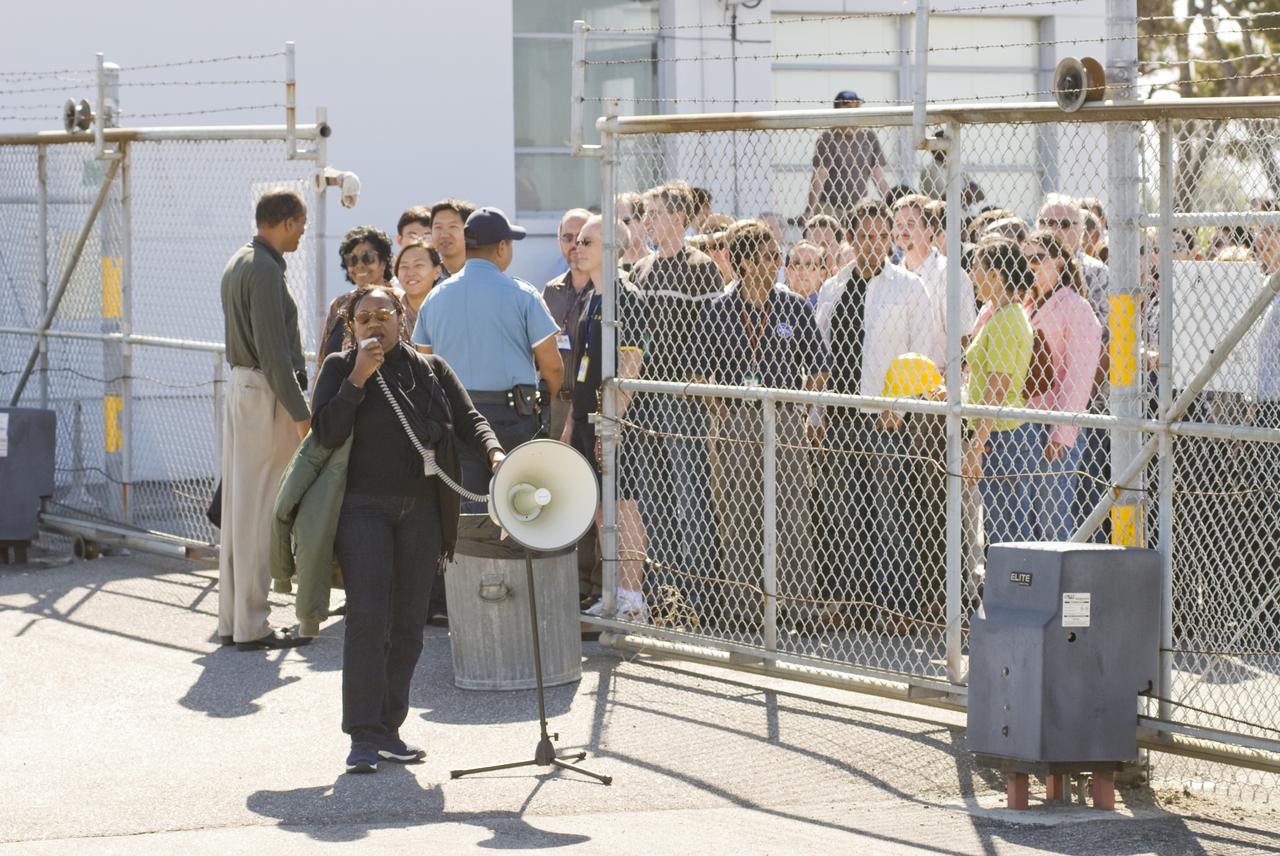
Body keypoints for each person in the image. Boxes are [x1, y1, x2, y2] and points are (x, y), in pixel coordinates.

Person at [310, 285, 503, 773]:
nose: (375, 323)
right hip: (363, 509)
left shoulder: (431, 371)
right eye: (363, 317)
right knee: (367, 620)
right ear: (350, 325)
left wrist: (496, 455)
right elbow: (325, 432)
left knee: (408, 625)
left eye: (384, 314)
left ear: (402, 317)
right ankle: (361, 736)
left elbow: (470, 419)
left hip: (421, 511)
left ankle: (390, 727)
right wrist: (357, 376)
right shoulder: (339, 367)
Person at [691, 220, 830, 633]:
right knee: (739, 514)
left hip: (784, 419)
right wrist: (719, 407)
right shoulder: (717, 309)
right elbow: (699, 373)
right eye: (771, 257)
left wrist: (800, 406)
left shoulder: (791, 306)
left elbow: (820, 367)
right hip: (735, 420)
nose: (779, 263)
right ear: (748, 263)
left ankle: (799, 608)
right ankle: (743, 608)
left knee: (792, 513)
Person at [814, 197, 933, 633]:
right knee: (847, 515)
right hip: (841, 415)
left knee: (889, 513)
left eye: (881, 236)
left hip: (886, 418)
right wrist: (816, 417)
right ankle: (853, 601)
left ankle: (896, 605)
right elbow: (820, 359)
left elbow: (924, 354)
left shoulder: (909, 286)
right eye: (865, 235)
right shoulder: (833, 287)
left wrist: (900, 407)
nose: (873, 243)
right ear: (851, 237)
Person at [413, 207, 563, 503]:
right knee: (518, 503)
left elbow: (423, 364)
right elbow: (553, 367)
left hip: (455, 418)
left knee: (464, 506)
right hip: (513, 417)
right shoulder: (523, 295)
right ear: (502, 247)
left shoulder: (435, 297)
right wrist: (547, 403)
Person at [217, 188, 311, 651]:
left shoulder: (239, 260)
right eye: (302, 225)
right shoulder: (266, 270)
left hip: (240, 386)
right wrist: (301, 415)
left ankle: (234, 620)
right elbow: (275, 353)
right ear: (288, 221)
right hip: (264, 391)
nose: (302, 234)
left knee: (240, 510)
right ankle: (253, 624)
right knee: (260, 514)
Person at [627, 181, 724, 626]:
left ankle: (700, 599)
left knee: (692, 498)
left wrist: (698, 387)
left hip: (683, 399)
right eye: (645, 214)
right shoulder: (641, 269)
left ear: (680, 217)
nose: (648, 222)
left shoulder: (702, 267)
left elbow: (708, 335)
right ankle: (665, 599)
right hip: (646, 398)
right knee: (654, 500)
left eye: (656, 213)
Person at [556, 215, 648, 619]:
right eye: (575, 240)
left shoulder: (624, 295)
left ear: (611, 248)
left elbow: (631, 365)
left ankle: (631, 597)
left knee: (623, 507)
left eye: (588, 241)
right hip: (587, 418)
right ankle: (612, 593)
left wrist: (612, 421)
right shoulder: (592, 297)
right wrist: (572, 424)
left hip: (614, 426)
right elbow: (583, 368)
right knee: (598, 509)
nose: (577, 247)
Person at [1020, 229, 1103, 541]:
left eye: (1037, 259)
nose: (1029, 266)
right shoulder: (1024, 305)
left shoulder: (1076, 307)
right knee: (1023, 519)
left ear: (1058, 261)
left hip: (1053, 429)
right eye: (1023, 259)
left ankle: (1058, 589)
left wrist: (1062, 433)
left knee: (1052, 520)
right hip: (1022, 425)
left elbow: (1079, 377)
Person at [962, 239, 1037, 551]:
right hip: (1000, 434)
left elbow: (997, 387)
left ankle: (1018, 595)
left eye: (977, 269)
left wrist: (977, 446)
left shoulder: (1007, 320)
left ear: (995, 275)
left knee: (1006, 532)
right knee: (1002, 528)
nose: (972, 276)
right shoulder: (1001, 314)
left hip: (1002, 438)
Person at [317, 226, 410, 366]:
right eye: (352, 260)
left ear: (383, 263)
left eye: (368, 258)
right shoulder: (339, 304)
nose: (359, 265)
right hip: (343, 386)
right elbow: (322, 361)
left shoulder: (400, 300)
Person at [544, 208, 595, 441]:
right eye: (567, 237)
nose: (575, 244)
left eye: (583, 238)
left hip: (593, 406)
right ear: (559, 242)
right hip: (555, 404)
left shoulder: (607, 291)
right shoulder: (550, 291)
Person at [805, 90, 888, 221]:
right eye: (848, 108)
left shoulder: (868, 136)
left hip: (858, 207)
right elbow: (820, 174)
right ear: (837, 111)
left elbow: (877, 174)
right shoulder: (828, 138)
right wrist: (810, 209)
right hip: (830, 207)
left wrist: (890, 202)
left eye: (855, 107)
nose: (852, 112)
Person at [394, 239, 443, 333]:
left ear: (437, 272)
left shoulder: (451, 310)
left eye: (418, 265)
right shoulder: (391, 314)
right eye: (404, 266)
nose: (410, 273)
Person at [429, 197, 476, 277]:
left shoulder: (482, 274)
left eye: (452, 227)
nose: (444, 235)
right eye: (438, 227)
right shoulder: (427, 278)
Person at [783, 240, 827, 307]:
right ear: (786, 272)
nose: (802, 271)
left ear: (822, 274)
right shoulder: (776, 305)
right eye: (796, 265)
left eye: (810, 266)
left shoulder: (828, 309)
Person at [615, 192, 649, 271]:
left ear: (643, 220)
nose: (619, 228)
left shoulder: (656, 264)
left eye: (625, 221)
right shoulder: (610, 271)